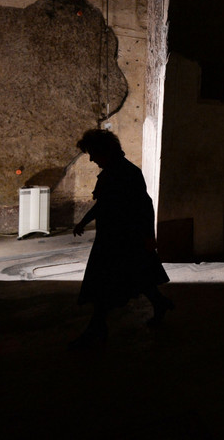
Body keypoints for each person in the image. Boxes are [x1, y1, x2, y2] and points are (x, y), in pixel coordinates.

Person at [70, 128, 174, 348]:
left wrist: (149, 236)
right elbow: (103, 204)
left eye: (93, 153)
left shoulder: (128, 173)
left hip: (125, 238)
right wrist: (84, 221)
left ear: (104, 151)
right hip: (112, 237)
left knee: (105, 283)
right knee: (137, 277)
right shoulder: (111, 171)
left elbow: (146, 207)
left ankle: (96, 328)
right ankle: (160, 302)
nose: (91, 159)